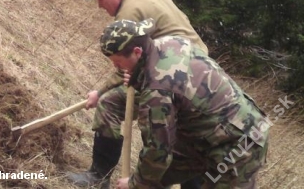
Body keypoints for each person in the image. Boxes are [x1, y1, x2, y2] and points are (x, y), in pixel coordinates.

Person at [66, 0, 207, 189]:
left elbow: (125, 64)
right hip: (200, 71)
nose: (100, 6)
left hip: (173, 77)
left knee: (115, 106)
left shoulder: (128, 14)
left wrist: (99, 92)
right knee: (185, 135)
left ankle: (100, 177)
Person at [99, 18, 269, 189]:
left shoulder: (157, 91)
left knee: (148, 177)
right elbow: (171, 83)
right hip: (203, 136)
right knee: (155, 178)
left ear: (137, 52)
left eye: (118, 62)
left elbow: (157, 150)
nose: (116, 67)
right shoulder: (168, 43)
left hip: (240, 143)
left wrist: (135, 183)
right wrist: (137, 78)